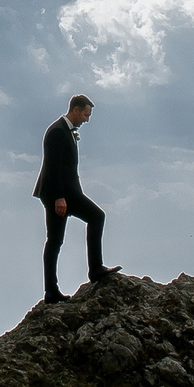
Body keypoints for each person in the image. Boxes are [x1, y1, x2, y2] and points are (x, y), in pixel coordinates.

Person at [34, 94, 119, 303]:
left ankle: (94, 270)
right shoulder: (57, 131)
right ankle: (53, 290)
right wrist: (59, 198)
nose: (86, 119)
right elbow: (52, 167)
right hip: (60, 194)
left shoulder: (67, 131)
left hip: (69, 193)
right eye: (85, 114)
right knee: (56, 239)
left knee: (94, 218)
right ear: (75, 110)